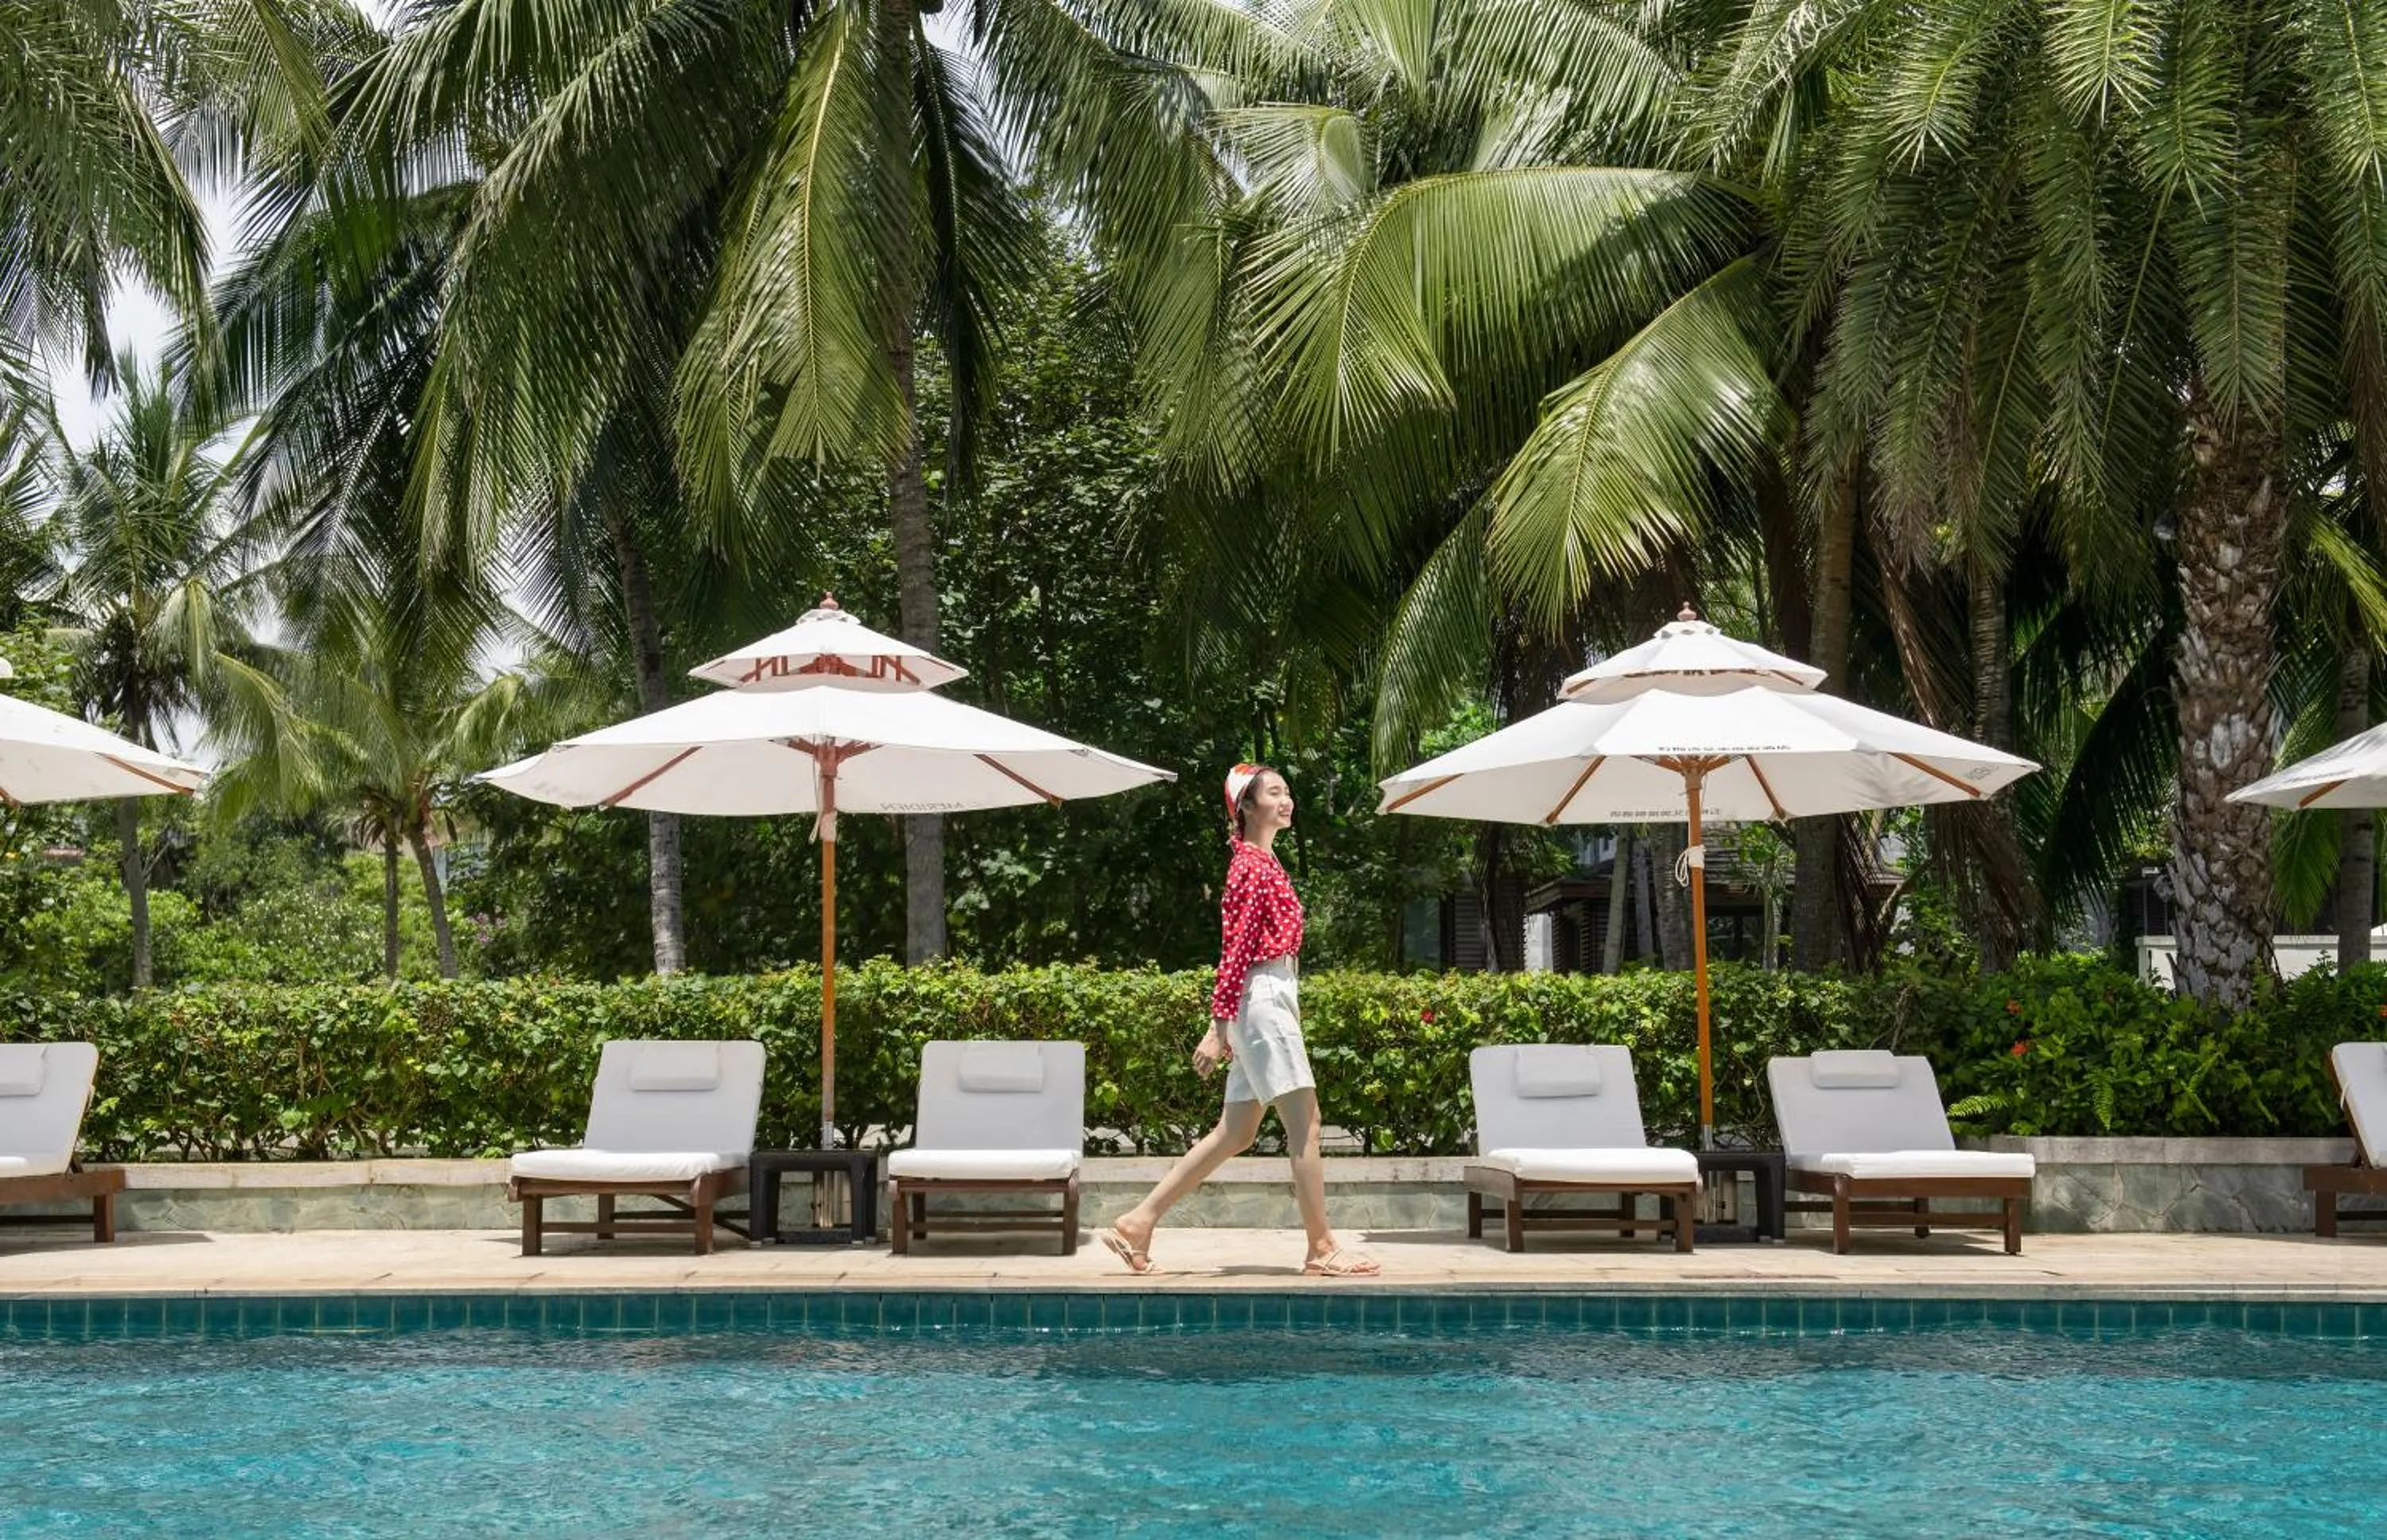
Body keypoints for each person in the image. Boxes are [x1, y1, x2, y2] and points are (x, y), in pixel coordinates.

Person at [1100, 764, 1380, 1278]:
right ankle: (1322, 1247)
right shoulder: (1250, 867)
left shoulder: (1264, 862)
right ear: (1246, 808)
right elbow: (1236, 951)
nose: (1287, 799)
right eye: (1274, 793)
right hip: (1264, 1000)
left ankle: (1139, 1222)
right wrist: (1218, 1025)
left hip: (1267, 998)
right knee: (1307, 1125)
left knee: (1236, 1131)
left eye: (1288, 791)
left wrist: (1228, 1021)